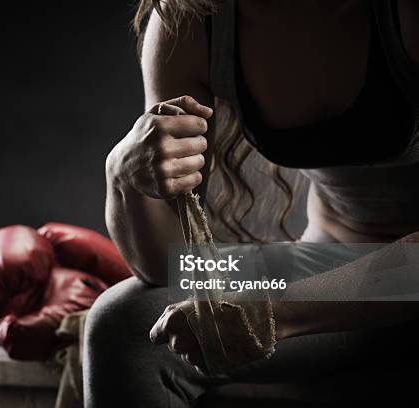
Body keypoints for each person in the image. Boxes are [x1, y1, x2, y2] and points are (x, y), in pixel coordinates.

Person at [83, 0, 419, 406]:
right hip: (328, 262)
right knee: (124, 322)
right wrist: (123, 177)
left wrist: (274, 310)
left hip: (358, 286)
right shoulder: (193, 19)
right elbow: (171, 267)